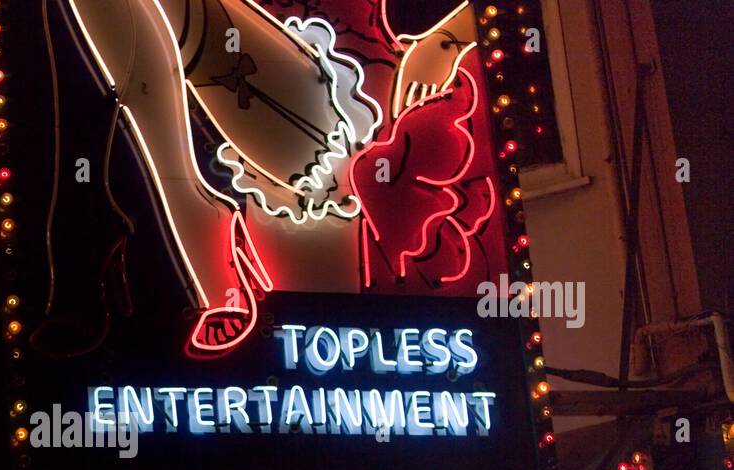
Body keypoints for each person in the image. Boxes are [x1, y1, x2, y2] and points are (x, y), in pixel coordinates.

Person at [60, 0, 484, 355]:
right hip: (275, 63)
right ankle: (194, 210)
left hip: (362, 112)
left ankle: (197, 214)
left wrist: (447, 40)